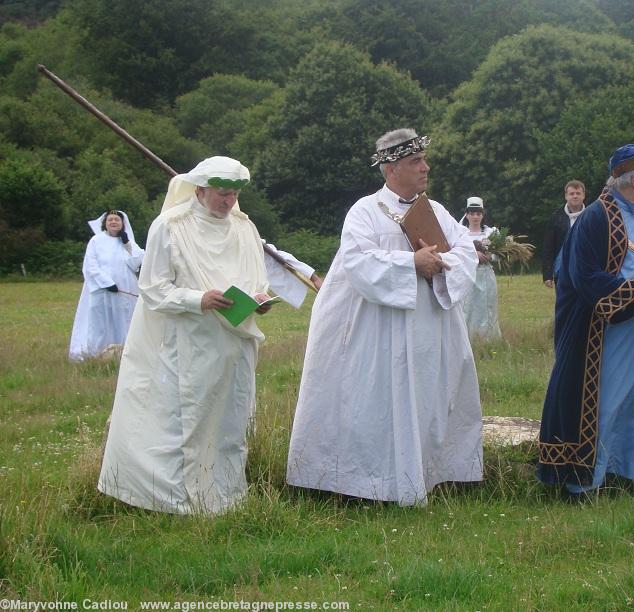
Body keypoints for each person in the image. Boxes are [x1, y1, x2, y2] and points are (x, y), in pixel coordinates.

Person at [286, 129, 484, 506]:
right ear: (391, 169)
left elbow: (465, 251)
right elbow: (358, 261)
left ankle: (431, 474)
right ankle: (366, 484)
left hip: (430, 329)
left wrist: (439, 262)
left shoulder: (436, 211)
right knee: (373, 404)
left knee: (428, 399)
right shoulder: (365, 212)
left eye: (424, 160)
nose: (425, 168)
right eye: (415, 162)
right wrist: (411, 263)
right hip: (378, 333)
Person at [98, 156, 276, 514]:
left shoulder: (244, 227)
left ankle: (227, 495)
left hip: (235, 343)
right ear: (200, 190)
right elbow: (153, 287)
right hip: (188, 341)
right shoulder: (170, 226)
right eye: (222, 194)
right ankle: (179, 500)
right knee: (186, 420)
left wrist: (260, 300)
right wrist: (198, 299)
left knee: (231, 420)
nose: (228, 201)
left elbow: (256, 279)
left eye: (234, 195)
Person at [537, 142, 634, 499]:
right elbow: (584, 278)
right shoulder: (596, 218)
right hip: (611, 336)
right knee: (608, 402)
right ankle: (586, 483)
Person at [68, 210, 144, 361]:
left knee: (124, 320)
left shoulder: (127, 241)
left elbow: (136, 263)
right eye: (110, 219)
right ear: (105, 223)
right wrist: (107, 283)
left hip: (124, 290)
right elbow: (91, 266)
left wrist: (127, 244)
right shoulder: (96, 241)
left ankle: (122, 354)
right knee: (100, 323)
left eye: (117, 219)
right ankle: (97, 355)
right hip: (101, 289)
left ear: (123, 223)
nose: (113, 222)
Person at [461, 196, 501, 340]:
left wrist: (490, 256)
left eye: (478, 214)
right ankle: (468, 338)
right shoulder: (461, 233)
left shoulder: (491, 233)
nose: (475, 217)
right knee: (468, 306)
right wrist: (474, 255)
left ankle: (489, 339)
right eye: (472, 214)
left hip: (486, 274)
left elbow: (499, 254)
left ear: (482, 215)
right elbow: (456, 253)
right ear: (467, 215)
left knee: (487, 306)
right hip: (468, 275)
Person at [541, 180, 586, 287]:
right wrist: (547, 275)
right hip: (561, 271)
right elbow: (548, 247)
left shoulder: (592, 215)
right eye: (571, 193)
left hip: (586, 271)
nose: (575, 196)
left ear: (583, 195)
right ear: (566, 196)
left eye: (578, 193)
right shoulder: (556, 217)